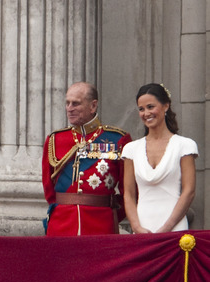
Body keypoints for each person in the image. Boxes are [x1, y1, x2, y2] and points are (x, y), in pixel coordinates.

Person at [42, 82, 132, 236]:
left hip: (101, 223)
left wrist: (112, 213)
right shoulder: (55, 139)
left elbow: (129, 191)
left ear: (93, 106)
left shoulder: (118, 140)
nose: (69, 108)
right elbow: (49, 188)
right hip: (61, 223)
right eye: (67, 103)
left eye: (76, 103)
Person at [121, 83, 197, 233]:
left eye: (150, 107)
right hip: (142, 228)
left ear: (166, 106)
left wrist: (167, 227)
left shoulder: (185, 145)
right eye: (141, 109)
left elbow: (189, 191)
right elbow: (128, 194)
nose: (146, 113)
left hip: (174, 227)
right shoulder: (130, 149)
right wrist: (136, 227)